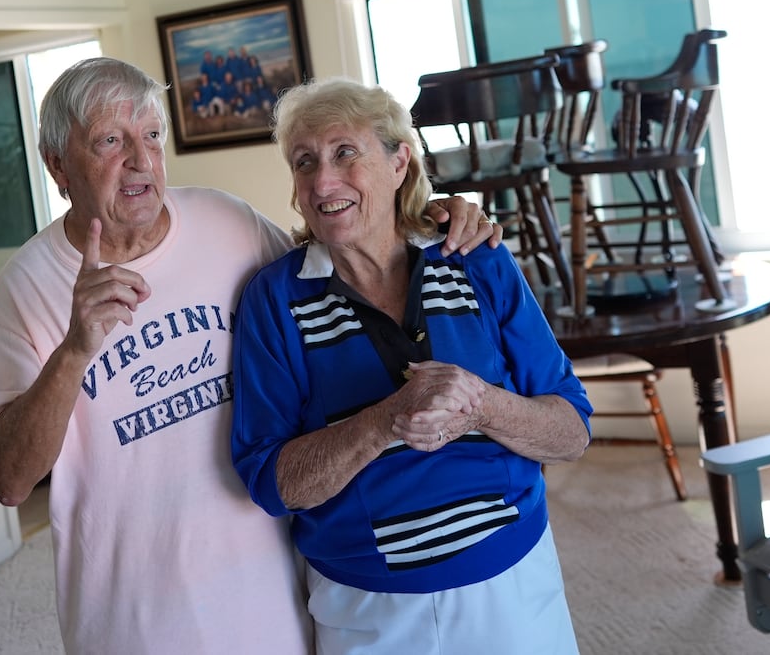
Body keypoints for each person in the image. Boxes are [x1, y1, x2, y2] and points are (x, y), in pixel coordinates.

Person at [0, 57, 499, 655]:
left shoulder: (225, 221)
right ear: (57, 165)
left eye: (151, 136)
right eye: (111, 141)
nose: (140, 161)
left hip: (275, 600)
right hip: (132, 622)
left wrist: (427, 215)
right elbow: (10, 482)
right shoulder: (27, 285)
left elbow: (334, 258)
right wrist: (74, 351)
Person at [230, 77, 593, 655]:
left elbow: (571, 432)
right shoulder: (275, 299)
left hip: (512, 581)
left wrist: (480, 404)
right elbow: (276, 484)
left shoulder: (473, 257)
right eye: (305, 163)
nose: (324, 181)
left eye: (345, 153)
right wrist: (387, 420)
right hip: (369, 609)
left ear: (400, 161)